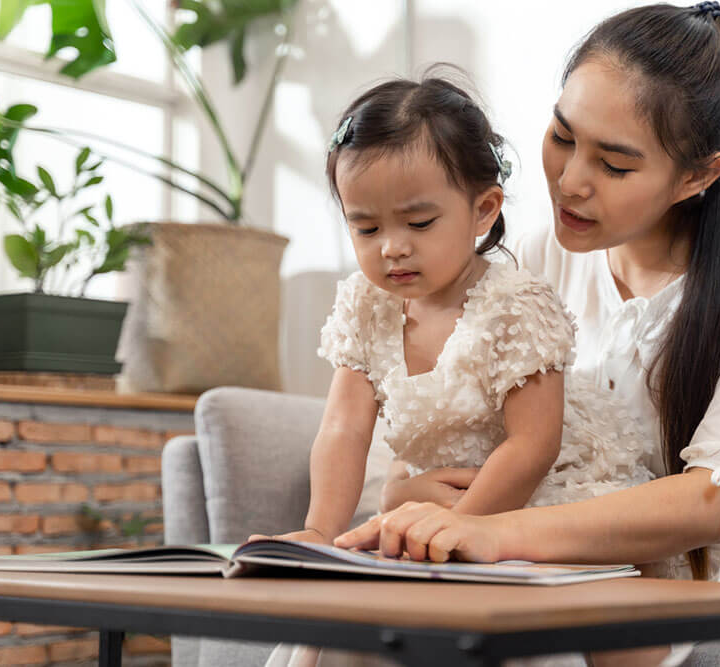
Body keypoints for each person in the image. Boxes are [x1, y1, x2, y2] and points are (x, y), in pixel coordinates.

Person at [336, 1, 720, 665]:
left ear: (698, 176)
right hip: (574, 560)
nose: (569, 180)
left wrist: (493, 532)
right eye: (562, 136)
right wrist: (411, 499)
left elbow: (714, 499)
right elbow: (473, 440)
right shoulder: (528, 262)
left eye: (614, 165)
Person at [259, 73, 656, 667]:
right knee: (340, 620)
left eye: (418, 224)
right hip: (438, 505)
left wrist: (462, 532)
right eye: (365, 227)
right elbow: (343, 429)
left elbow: (533, 445)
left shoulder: (515, 305)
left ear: (482, 210)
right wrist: (320, 532)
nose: (391, 246)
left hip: (531, 500)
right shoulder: (366, 306)